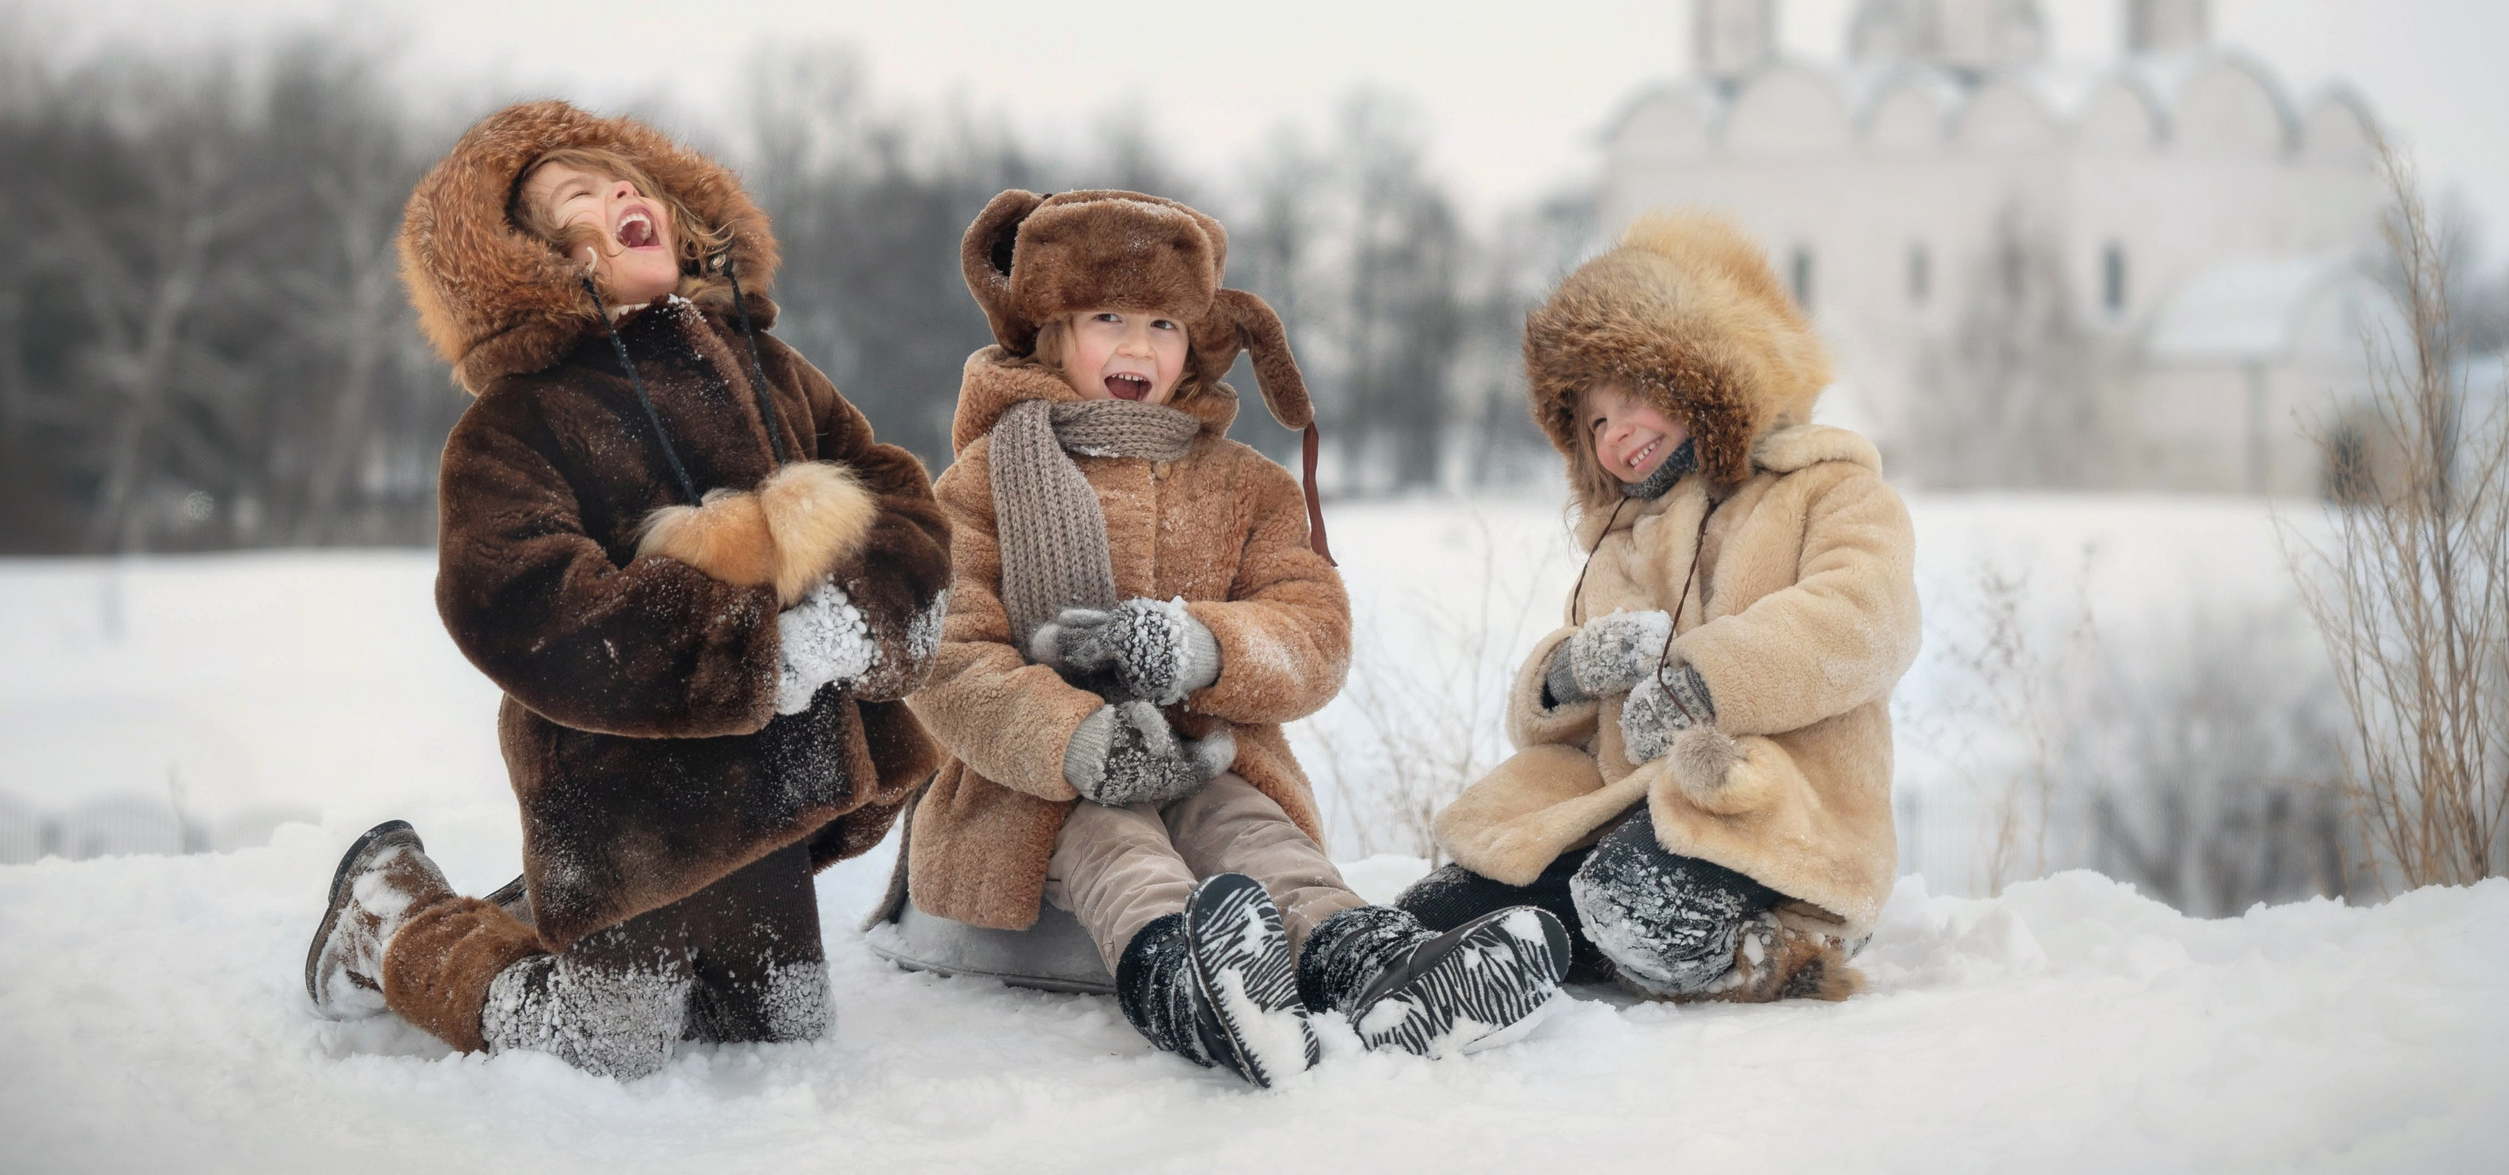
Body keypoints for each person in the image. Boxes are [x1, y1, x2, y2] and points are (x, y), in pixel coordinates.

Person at [303, 101, 951, 1078]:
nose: (620, 193)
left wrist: (853, 619)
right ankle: (394, 916)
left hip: (774, 789)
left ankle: (527, 906)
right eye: (579, 196)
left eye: (630, 182)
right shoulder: (522, 420)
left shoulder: (773, 370)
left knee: (782, 1024)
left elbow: (897, 501)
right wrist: (752, 652)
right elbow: (518, 597)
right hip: (620, 809)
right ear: (541, 258)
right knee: (609, 1040)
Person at [899, 189, 1566, 1086]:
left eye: (1165, 325)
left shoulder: (1247, 489)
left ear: (1195, 342)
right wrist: (1076, 739)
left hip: (1210, 758)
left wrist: (1198, 647)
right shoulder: (983, 480)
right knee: (1119, 848)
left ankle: (1374, 965)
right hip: (1038, 788)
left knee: (1261, 838)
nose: (1139, 346)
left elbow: (1314, 631)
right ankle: (1191, 982)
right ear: (1054, 328)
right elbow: (947, 655)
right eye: (1110, 318)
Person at [1403, 209, 1920, 1001]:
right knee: (1434, 916)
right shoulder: (1625, 541)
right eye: (1595, 420)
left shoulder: (1830, 488)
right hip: (1624, 812)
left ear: (1700, 372)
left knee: (1633, 898)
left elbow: (1865, 616)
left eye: (1634, 396)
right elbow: (1579, 733)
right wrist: (1566, 675)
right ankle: (1501, 957)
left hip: (1780, 814)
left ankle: (1775, 941)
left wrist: (1702, 684)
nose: (1616, 435)